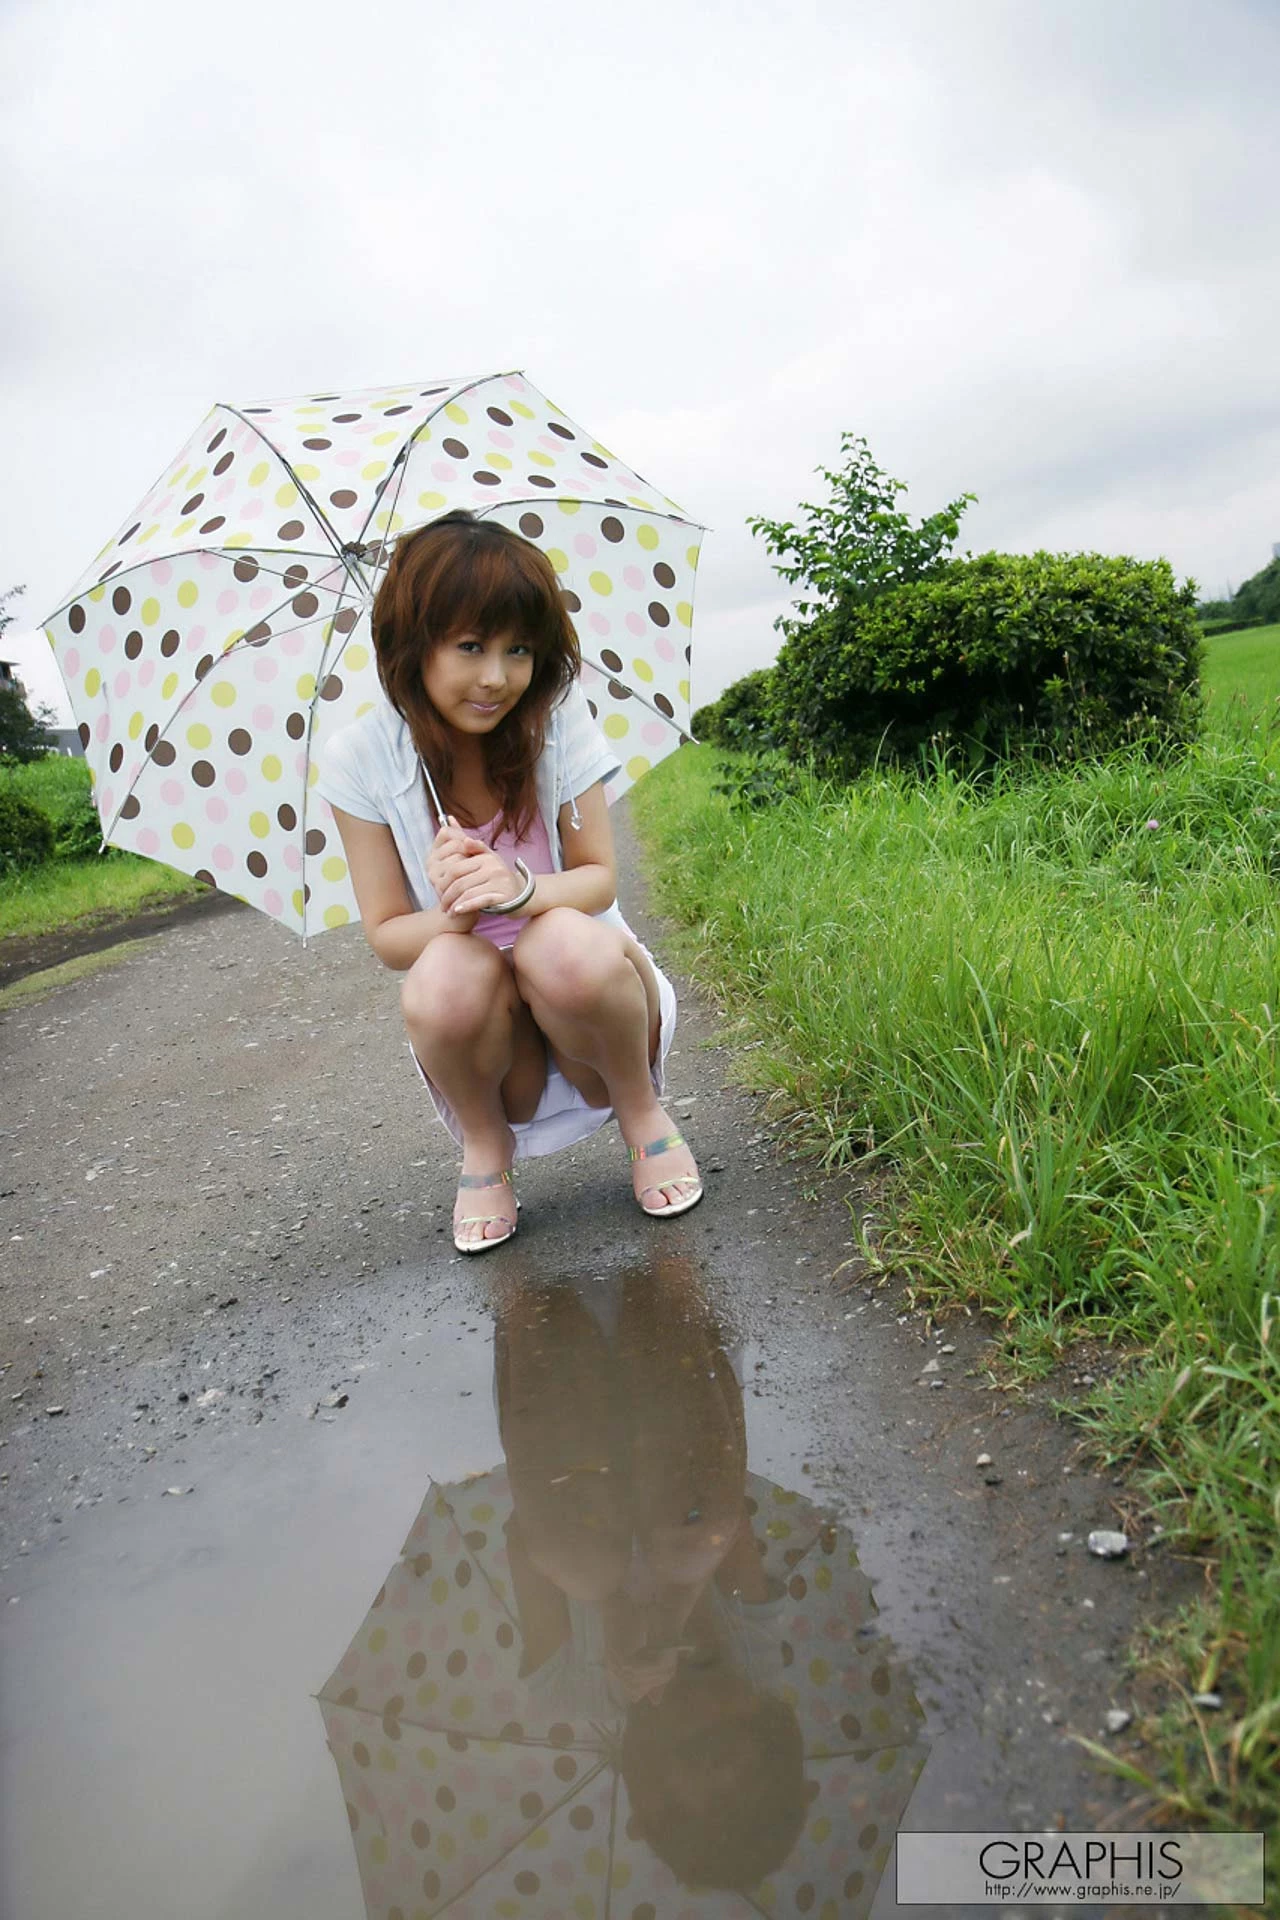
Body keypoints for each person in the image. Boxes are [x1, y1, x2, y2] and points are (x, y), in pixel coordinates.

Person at [316, 510, 702, 1253]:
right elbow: (390, 934)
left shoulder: (553, 719)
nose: (497, 677)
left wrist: (521, 892)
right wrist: (462, 909)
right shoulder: (362, 757)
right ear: (411, 644)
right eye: (469, 646)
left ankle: (642, 1113)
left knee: (559, 937)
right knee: (438, 975)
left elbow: (595, 881)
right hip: (499, 1054)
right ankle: (487, 1149)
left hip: (590, 1014)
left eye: (518, 649)